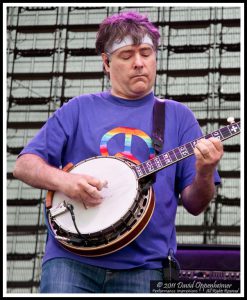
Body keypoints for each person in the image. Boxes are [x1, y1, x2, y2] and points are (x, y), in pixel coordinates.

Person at [13, 11, 224, 293]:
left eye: (146, 53)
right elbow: (24, 165)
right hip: (70, 262)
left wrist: (205, 171)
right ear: (106, 62)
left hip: (147, 266)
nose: (139, 63)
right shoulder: (79, 109)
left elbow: (196, 204)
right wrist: (66, 182)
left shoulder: (178, 117)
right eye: (127, 55)